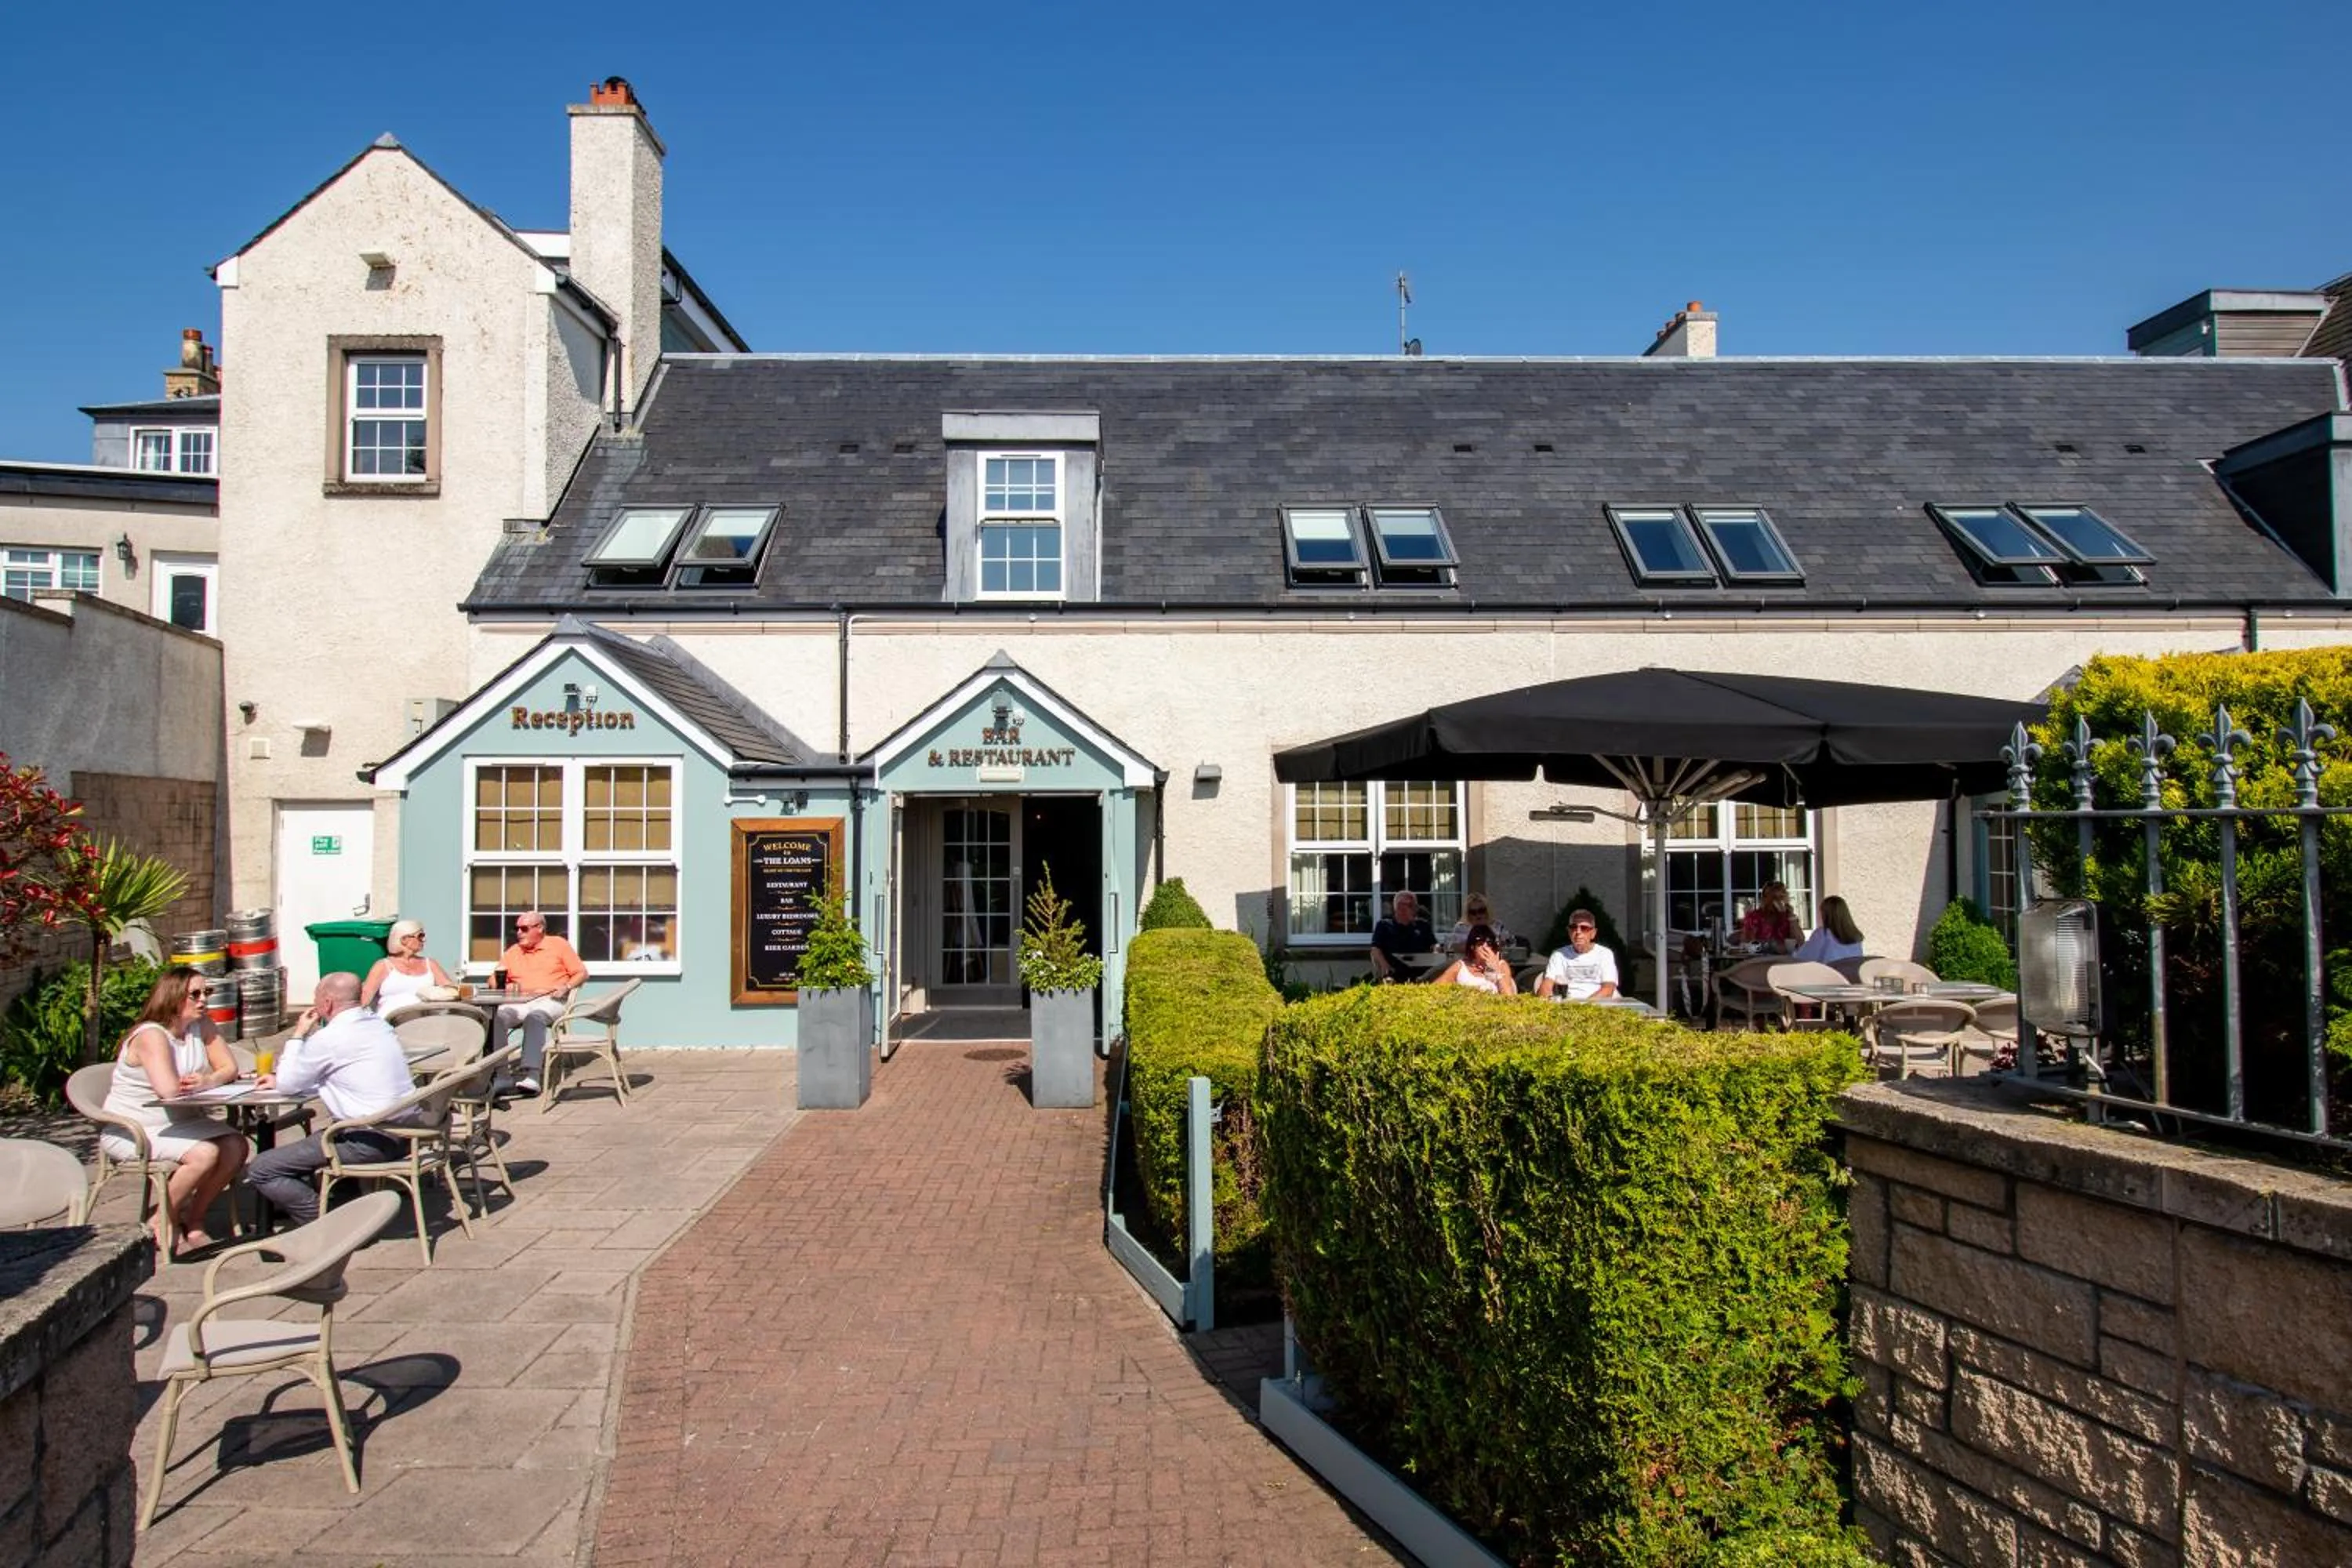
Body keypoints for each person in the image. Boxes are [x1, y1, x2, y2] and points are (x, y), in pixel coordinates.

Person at [245, 973, 419, 1226]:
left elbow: (289, 1083)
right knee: (308, 1152)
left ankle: (325, 1225)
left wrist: (298, 1034)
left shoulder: (329, 1038)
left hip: (367, 1140)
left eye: (316, 999)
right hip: (406, 1134)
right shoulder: (378, 1025)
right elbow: (345, 1071)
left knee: (263, 1168)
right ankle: (344, 1210)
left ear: (326, 1003)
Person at [100, 967, 250, 1256]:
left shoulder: (201, 1026)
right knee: (204, 1154)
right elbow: (168, 1091)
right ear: (173, 997)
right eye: (194, 994)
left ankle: (194, 1218)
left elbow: (229, 1068)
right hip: (138, 1128)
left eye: (207, 992)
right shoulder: (151, 1036)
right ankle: (161, 1219)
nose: (203, 1000)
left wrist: (208, 1080)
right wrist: (200, 1086)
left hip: (183, 1121)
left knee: (236, 1145)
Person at [490, 910, 586, 1094]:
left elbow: (581, 973)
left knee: (535, 1018)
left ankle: (532, 1076)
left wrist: (566, 987)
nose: (519, 933)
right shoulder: (513, 952)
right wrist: (505, 985)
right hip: (521, 1001)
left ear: (540, 928)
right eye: (517, 928)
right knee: (497, 1017)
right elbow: (493, 981)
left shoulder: (558, 945)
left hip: (551, 999)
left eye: (524, 929)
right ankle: (502, 1075)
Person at [359, 918, 456, 1018]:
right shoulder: (383, 966)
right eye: (420, 936)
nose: (424, 940)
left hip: (425, 1021)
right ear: (404, 940)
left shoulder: (430, 963)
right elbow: (364, 998)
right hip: (391, 1022)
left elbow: (450, 990)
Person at [1536, 909, 1620, 1001]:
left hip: (1597, 1005)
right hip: (1567, 1006)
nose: (1578, 932)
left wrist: (1585, 1006)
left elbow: (1608, 989)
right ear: (1569, 932)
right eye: (1573, 927)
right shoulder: (1559, 955)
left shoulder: (1604, 954)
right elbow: (1546, 986)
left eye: (1584, 928)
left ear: (1593, 933)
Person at [1369, 890, 1435, 982]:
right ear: (1400, 907)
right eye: (1412, 906)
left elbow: (1434, 945)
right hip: (1395, 974)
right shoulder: (1384, 925)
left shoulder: (1423, 925)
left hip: (1422, 974)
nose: (1416, 909)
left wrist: (1437, 949)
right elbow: (1375, 949)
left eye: (1416, 906)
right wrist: (1384, 966)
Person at [1432, 924, 1518, 995]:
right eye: (1480, 944)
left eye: (1489, 943)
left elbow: (1509, 998)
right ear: (1473, 947)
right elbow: (1434, 989)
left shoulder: (1501, 965)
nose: (1485, 947)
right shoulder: (1460, 967)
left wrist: (1496, 971)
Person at [1790, 895, 1865, 965]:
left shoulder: (1823, 934)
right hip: (1852, 976)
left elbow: (1802, 957)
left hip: (1830, 977)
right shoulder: (1856, 935)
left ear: (1826, 914)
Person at [1739, 882, 1804, 953]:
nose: (1778, 902)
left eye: (1781, 898)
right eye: (1774, 898)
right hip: (1760, 958)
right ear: (1764, 899)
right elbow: (1746, 943)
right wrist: (1770, 945)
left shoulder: (1789, 917)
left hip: (1785, 959)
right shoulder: (1754, 917)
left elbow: (1800, 942)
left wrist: (1791, 916)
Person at [1445, 893, 1515, 953]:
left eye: (1481, 911)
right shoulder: (1461, 927)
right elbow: (1452, 946)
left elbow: (1509, 944)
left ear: (1487, 911)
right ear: (1468, 914)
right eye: (1473, 912)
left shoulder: (1497, 925)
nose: (1478, 916)